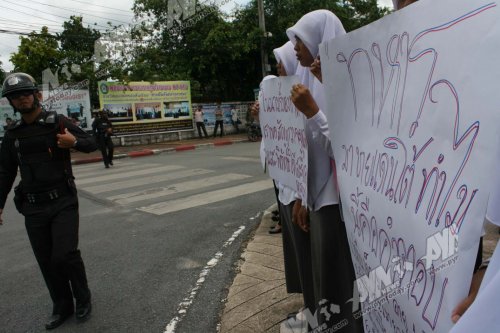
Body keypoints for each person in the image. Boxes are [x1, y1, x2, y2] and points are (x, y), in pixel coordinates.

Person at [0, 73, 96, 330]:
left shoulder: (57, 123)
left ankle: (83, 298)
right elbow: (5, 172)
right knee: (45, 259)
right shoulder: (13, 135)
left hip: (63, 200)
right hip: (33, 206)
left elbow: (91, 142)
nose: (21, 100)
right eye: (15, 97)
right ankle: (62, 306)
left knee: (64, 255)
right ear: (11, 103)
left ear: (36, 96)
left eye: (25, 94)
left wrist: (72, 141)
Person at [287, 10, 363, 332]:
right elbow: (304, 149)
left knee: (339, 283)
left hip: (339, 203)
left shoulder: (349, 81)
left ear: (318, 41)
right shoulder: (307, 82)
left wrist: (315, 111)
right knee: (325, 282)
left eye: (299, 41)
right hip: (320, 198)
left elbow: (348, 149)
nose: (294, 49)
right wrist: (302, 196)